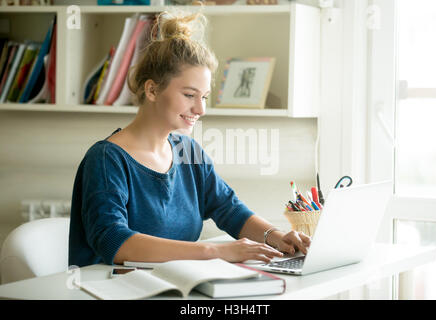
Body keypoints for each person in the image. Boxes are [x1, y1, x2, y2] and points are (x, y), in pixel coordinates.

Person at [68, 11, 311, 268]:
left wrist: (277, 237)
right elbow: (114, 240)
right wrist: (214, 252)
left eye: (204, 97)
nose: (201, 109)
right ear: (152, 90)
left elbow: (229, 209)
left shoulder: (188, 151)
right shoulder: (107, 159)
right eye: (189, 95)